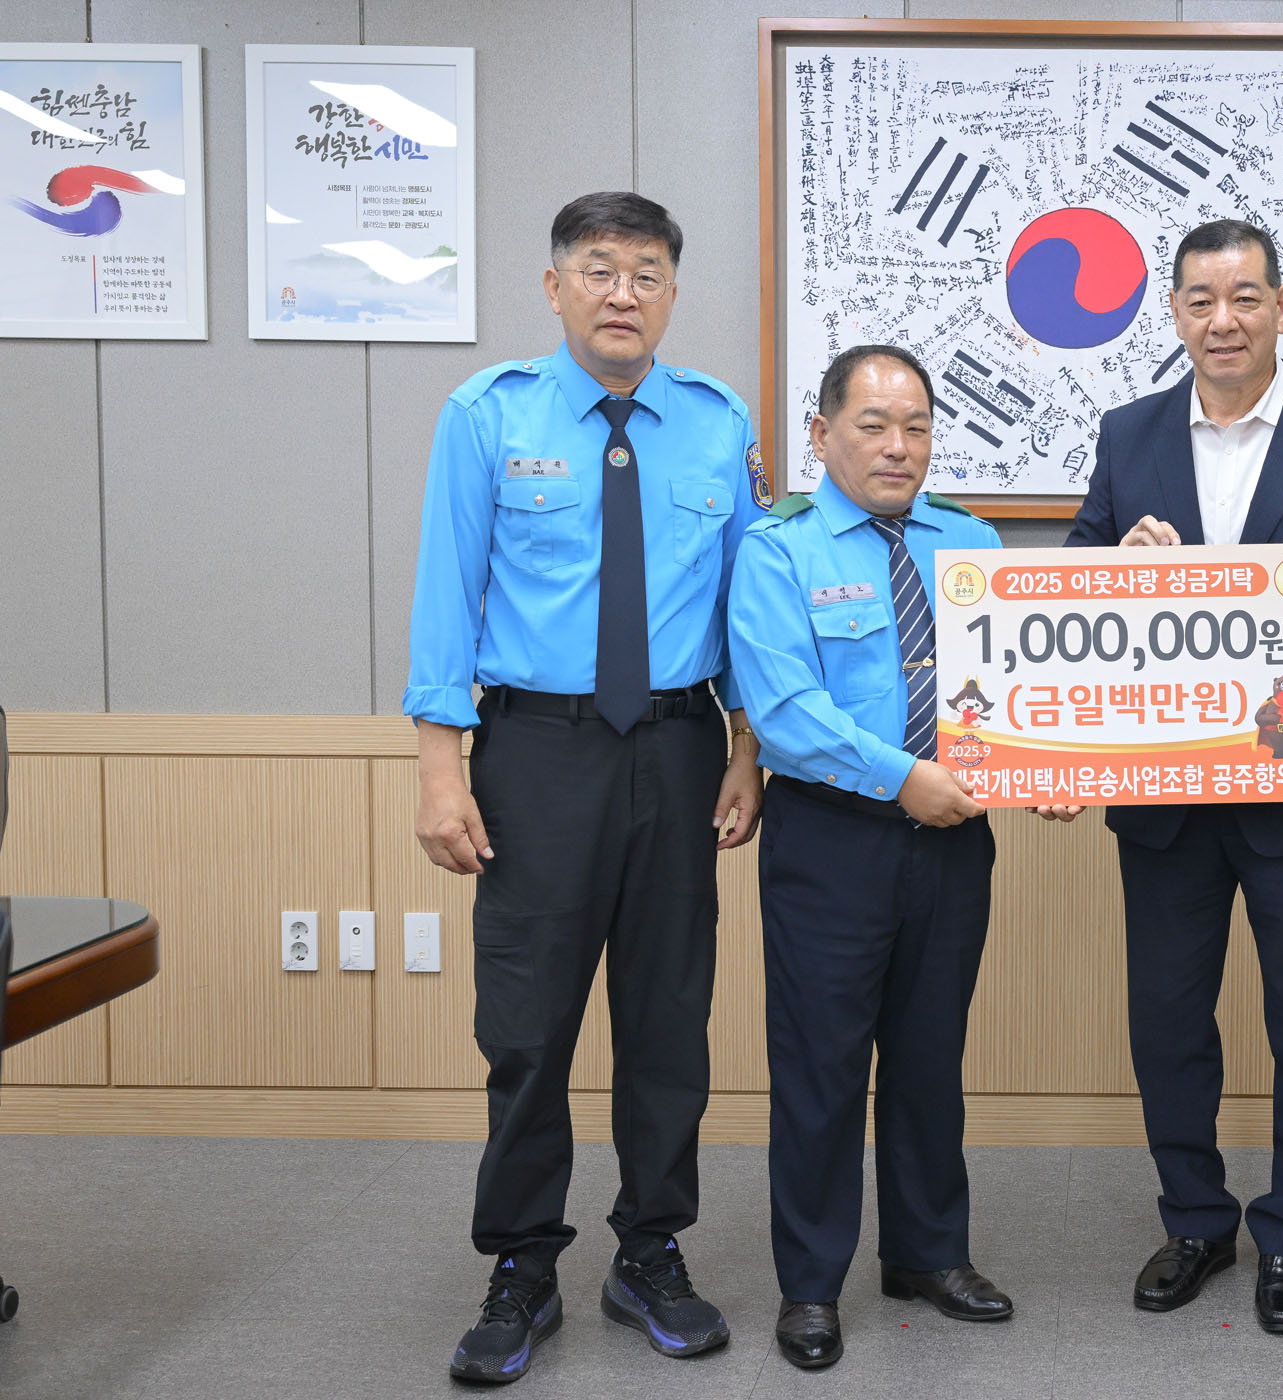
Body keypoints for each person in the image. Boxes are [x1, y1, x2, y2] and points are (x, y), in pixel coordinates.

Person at [404, 191, 770, 1382]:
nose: (623, 293)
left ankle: (650, 1248)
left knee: (667, 1017)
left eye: (647, 272)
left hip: (680, 743)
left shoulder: (717, 422)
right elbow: (446, 595)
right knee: (528, 1022)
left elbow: (750, 605)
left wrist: (747, 748)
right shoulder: (488, 413)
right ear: (555, 285)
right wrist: (441, 770)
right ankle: (520, 1262)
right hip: (536, 751)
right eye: (600, 268)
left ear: (672, 293)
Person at [1067, 219, 1283, 1333]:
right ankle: (1195, 1220)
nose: (1224, 321)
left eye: (1246, 298)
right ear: (1174, 312)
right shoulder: (1128, 434)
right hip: (1166, 800)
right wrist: (1112, 569)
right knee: (1168, 1020)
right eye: (1201, 301)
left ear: (1282, 304)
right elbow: (1072, 582)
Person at [728, 345, 1051, 1370]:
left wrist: (1053, 762)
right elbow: (783, 710)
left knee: (929, 1057)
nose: (898, 446)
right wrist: (902, 776)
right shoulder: (779, 551)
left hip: (953, 841)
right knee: (820, 1068)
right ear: (822, 435)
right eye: (873, 425)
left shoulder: (969, 541)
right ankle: (811, 1283)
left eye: (916, 426)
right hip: (833, 840)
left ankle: (928, 1254)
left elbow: (1024, 681)